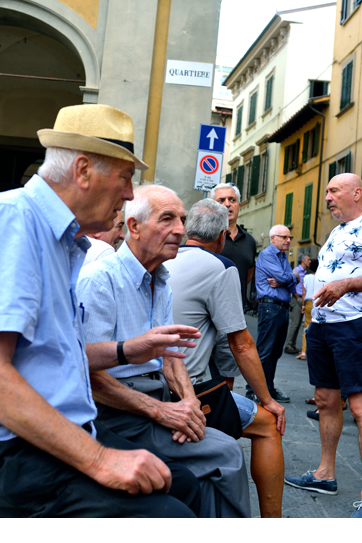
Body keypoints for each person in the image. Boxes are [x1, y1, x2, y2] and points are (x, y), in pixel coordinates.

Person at [0, 104, 204, 518]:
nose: (128, 196)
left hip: (38, 432)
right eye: (125, 178)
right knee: (170, 516)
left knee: (186, 486)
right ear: (83, 171)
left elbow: (49, 356)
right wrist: (102, 461)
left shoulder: (60, 240)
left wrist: (127, 350)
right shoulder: (8, 221)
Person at [78, 184, 252, 518]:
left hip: (155, 402)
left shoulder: (160, 279)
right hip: (116, 413)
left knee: (205, 466)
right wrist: (162, 413)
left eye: (182, 220)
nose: (180, 230)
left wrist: (188, 404)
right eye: (167, 219)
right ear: (134, 227)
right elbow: (90, 374)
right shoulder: (100, 280)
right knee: (227, 453)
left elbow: (172, 357)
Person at [283, 173, 362, 519]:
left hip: (356, 328)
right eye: (327, 192)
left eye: (334, 191)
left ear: (357, 192)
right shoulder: (337, 231)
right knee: (325, 400)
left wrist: (346, 285)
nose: (327, 198)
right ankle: (325, 473)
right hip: (323, 326)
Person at [164, 198, 286, 517]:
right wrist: (267, 399)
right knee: (268, 425)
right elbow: (241, 344)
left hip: (153, 382)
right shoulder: (220, 266)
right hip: (191, 392)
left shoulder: (161, 258)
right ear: (221, 237)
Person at [247, 225, 297, 405]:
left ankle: (268, 389)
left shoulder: (282, 256)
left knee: (275, 352)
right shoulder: (268, 255)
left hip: (281, 307)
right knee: (265, 351)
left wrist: (289, 279)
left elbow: (288, 281)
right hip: (270, 307)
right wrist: (291, 277)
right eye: (284, 237)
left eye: (289, 237)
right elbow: (286, 278)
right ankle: (252, 390)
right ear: (273, 238)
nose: (288, 240)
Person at [210, 183, 257, 312]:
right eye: (221, 200)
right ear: (212, 206)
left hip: (237, 314)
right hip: (208, 315)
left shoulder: (250, 241)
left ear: (239, 206)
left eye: (232, 200)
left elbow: (247, 276)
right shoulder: (206, 237)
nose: (227, 204)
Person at [285, 253, 311, 354]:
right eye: (308, 259)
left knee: (298, 323)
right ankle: (288, 345)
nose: (309, 261)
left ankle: (293, 345)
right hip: (297, 299)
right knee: (295, 324)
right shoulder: (296, 270)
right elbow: (290, 283)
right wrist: (296, 296)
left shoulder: (304, 272)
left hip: (301, 299)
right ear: (303, 261)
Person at [297, 258, 319, 360]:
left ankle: (304, 351)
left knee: (306, 327)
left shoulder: (306, 277)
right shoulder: (320, 277)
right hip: (319, 303)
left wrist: (303, 306)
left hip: (309, 303)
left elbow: (304, 293)